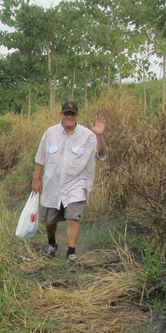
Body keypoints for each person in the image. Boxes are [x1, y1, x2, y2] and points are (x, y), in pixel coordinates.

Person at [31, 101, 108, 263]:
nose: (69, 117)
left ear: (77, 116)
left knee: (73, 217)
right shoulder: (50, 133)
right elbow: (40, 158)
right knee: (50, 221)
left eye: (72, 114)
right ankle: (52, 243)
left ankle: (71, 252)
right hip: (52, 185)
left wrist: (99, 136)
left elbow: (101, 153)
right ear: (61, 114)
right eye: (67, 113)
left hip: (76, 184)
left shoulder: (88, 135)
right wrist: (36, 179)